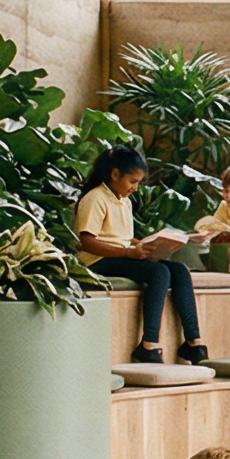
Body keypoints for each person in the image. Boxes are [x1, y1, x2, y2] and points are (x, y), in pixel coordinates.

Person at [76, 144, 208, 365]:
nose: (135, 188)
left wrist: (148, 245)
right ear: (115, 174)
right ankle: (149, 345)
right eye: (132, 182)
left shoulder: (124, 201)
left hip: (119, 255)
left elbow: (122, 237)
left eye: (138, 183)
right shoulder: (95, 198)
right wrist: (128, 252)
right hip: (97, 261)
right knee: (159, 273)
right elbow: (86, 242)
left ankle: (194, 343)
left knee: (179, 270)